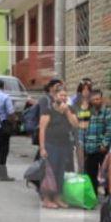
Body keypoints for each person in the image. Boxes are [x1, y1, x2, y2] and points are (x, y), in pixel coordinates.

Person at [38, 81, 79, 209]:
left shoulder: (70, 109)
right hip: (51, 145)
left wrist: (67, 112)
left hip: (64, 144)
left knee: (61, 172)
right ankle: (46, 198)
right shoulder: (48, 110)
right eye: (61, 95)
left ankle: (57, 197)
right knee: (50, 172)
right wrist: (42, 147)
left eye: (65, 96)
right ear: (55, 96)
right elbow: (42, 129)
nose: (63, 98)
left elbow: (75, 124)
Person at [82, 90, 111, 195]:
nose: (96, 101)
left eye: (98, 99)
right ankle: (92, 196)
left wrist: (104, 144)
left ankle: (108, 197)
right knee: (90, 173)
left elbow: (110, 130)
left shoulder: (108, 111)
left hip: (103, 149)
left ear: (101, 99)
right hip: (90, 148)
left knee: (105, 173)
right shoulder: (88, 112)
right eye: (93, 100)